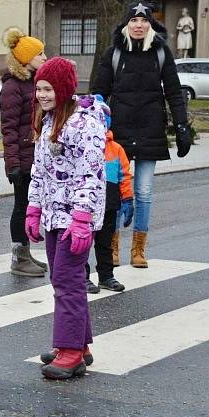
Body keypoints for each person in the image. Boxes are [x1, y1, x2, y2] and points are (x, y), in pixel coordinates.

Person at [91, 1, 191, 268]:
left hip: (150, 130)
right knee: (112, 191)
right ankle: (110, 246)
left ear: (150, 24)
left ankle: (138, 249)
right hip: (117, 135)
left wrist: (182, 126)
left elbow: (173, 91)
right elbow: (98, 94)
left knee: (143, 192)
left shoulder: (161, 53)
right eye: (133, 21)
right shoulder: (113, 53)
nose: (138, 25)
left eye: (143, 20)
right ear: (126, 24)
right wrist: (93, 127)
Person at [26, 57, 107, 380]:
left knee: (67, 280)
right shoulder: (49, 120)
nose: (41, 95)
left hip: (75, 216)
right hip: (53, 214)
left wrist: (82, 218)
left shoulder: (85, 124)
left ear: (62, 89)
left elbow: (90, 174)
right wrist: (33, 208)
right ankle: (78, 345)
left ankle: (71, 352)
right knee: (62, 279)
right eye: (39, 89)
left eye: (47, 89)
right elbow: (39, 171)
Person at [0, 27, 48, 276]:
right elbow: (8, 128)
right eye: (39, 54)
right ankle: (18, 258)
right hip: (24, 158)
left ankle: (26, 252)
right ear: (25, 58)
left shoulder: (34, 82)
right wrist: (13, 164)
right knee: (21, 207)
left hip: (36, 155)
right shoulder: (13, 87)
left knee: (30, 206)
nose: (44, 57)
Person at [86, 99, 133, 293]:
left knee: (105, 243)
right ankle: (82, 276)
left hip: (109, 203)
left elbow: (124, 175)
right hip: (87, 204)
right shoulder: (84, 145)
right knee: (83, 243)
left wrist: (128, 199)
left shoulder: (116, 149)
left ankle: (106, 276)